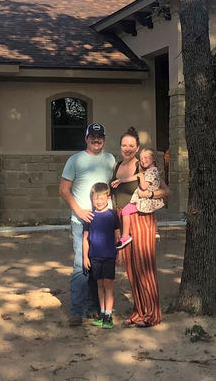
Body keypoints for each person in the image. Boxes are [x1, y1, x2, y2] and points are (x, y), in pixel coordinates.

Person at [110, 126, 169, 328]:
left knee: (145, 267)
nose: (127, 148)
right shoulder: (116, 166)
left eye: (131, 145)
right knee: (132, 270)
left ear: (137, 148)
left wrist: (149, 195)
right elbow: (114, 198)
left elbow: (165, 191)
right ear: (120, 146)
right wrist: (117, 231)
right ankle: (139, 312)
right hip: (123, 219)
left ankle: (152, 315)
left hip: (141, 218)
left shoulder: (142, 167)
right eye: (124, 145)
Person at [59, 122, 116, 327]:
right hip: (81, 221)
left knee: (97, 265)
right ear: (86, 138)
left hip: (103, 222)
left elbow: (113, 186)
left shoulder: (110, 159)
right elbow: (64, 189)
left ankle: (94, 308)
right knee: (80, 266)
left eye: (99, 136)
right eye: (92, 136)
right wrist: (79, 210)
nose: (96, 139)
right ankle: (76, 311)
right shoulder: (75, 160)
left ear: (103, 139)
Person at [83, 183, 121, 329]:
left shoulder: (112, 214)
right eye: (95, 198)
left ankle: (108, 316)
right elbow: (86, 238)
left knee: (108, 286)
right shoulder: (90, 217)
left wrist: (120, 254)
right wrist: (85, 257)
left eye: (101, 198)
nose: (98, 201)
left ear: (108, 198)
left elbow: (118, 237)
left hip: (109, 256)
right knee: (99, 286)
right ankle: (102, 313)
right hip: (95, 256)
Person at [115, 147, 165, 249]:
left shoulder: (151, 172)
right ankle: (155, 232)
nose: (143, 161)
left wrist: (141, 177)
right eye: (141, 159)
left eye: (146, 157)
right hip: (145, 199)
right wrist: (121, 180)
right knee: (150, 215)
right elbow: (133, 177)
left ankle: (125, 236)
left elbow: (144, 186)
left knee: (125, 211)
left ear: (153, 158)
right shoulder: (149, 171)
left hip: (144, 200)